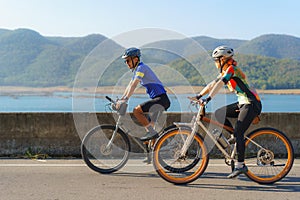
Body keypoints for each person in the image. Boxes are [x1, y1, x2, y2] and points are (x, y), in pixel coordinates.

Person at [193, 46, 262, 178]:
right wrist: (198, 96)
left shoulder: (232, 70)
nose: (215, 63)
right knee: (219, 113)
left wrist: (207, 99)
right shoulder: (225, 71)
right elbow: (212, 84)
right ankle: (234, 138)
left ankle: (241, 165)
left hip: (251, 103)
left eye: (216, 60)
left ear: (223, 59)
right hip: (242, 102)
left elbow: (219, 85)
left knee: (239, 131)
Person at [117, 47, 171, 141]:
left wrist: (125, 99)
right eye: (125, 61)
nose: (127, 63)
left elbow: (134, 85)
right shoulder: (137, 70)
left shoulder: (142, 68)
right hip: (160, 100)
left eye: (128, 60)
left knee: (137, 111)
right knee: (150, 131)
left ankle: (152, 134)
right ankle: (153, 152)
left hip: (161, 100)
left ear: (136, 59)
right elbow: (130, 85)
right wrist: (122, 98)